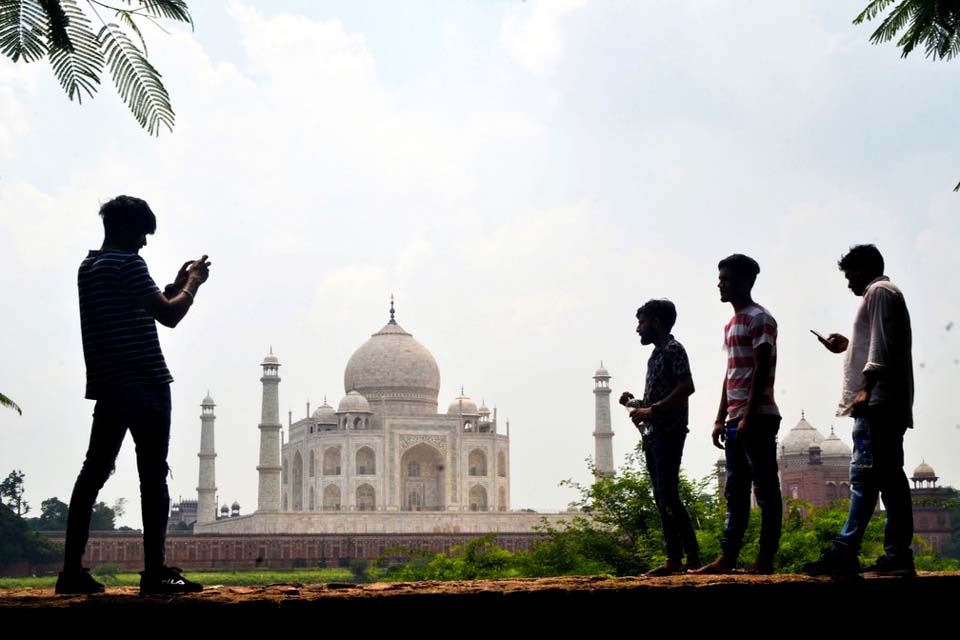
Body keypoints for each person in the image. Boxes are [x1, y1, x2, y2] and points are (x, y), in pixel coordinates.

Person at [55, 195, 210, 595]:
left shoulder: (89, 267)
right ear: (126, 229)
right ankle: (154, 573)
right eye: (142, 233)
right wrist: (192, 284)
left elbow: (137, 307)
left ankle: (70, 572)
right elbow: (169, 316)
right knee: (152, 477)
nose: (144, 242)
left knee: (92, 473)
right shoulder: (128, 263)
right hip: (144, 382)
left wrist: (173, 286)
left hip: (109, 385)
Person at [804, 244, 915, 577]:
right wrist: (848, 347)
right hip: (883, 401)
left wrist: (865, 390)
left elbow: (880, 350)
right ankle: (865, 551)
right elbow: (881, 342)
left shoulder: (879, 292)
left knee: (875, 477)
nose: (848, 281)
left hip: (878, 402)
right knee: (876, 477)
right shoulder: (885, 293)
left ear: (864, 268)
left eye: (849, 273)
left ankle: (870, 551)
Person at [693, 254, 782, 575]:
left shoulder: (761, 319)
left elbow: (760, 368)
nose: (720, 283)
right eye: (720, 278)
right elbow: (731, 374)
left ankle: (764, 558)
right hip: (736, 418)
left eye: (727, 278)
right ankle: (728, 557)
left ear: (746, 281)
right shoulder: (732, 323)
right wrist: (721, 417)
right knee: (735, 490)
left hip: (757, 417)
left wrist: (747, 415)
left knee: (765, 489)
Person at [619, 299, 701, 575]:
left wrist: (650, 410)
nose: (638, 329)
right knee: (661, 496)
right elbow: (657, 400)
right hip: (655, 433)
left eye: (641, 323)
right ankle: (674, 559)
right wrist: (635, 403)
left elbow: (686, 387)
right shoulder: (656, 355)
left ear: (656, 322)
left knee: (668, 494)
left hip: (669, 432)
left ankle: (691, 558)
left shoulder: (673, 349)